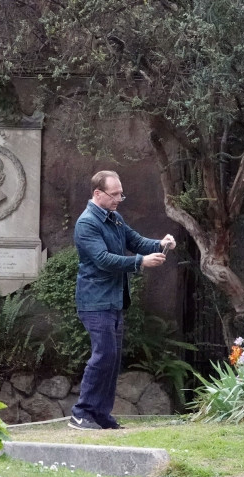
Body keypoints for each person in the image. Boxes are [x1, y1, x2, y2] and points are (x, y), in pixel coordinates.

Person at [69, 170, 176, 430]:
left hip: (114, 300)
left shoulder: (114, 218)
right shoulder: (87, 223)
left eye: (120, 193)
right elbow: (104, 260)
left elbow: (136, 241)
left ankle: (101, 415)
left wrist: (160, 243)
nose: (119, 198)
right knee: (103, 354)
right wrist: (141, 262)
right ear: (98, 194)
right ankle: (81, 414)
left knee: (112, 358)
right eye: (114, 194)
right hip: (95, 302)